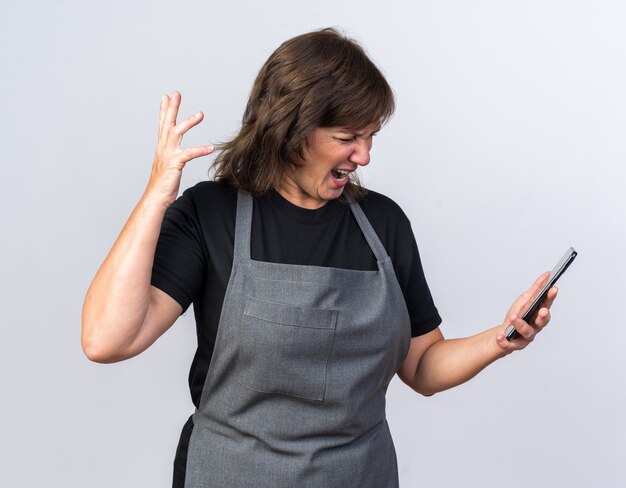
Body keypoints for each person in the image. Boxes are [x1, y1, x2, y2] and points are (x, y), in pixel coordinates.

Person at [81, 28, 558, 488]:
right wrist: (155, 198)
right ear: (292, 131)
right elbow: (107, 340)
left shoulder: (383, 223)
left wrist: (500, 339)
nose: (365, 156)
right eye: (348, 136)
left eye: (371, 136)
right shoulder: (213, 215)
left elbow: (423, 366)